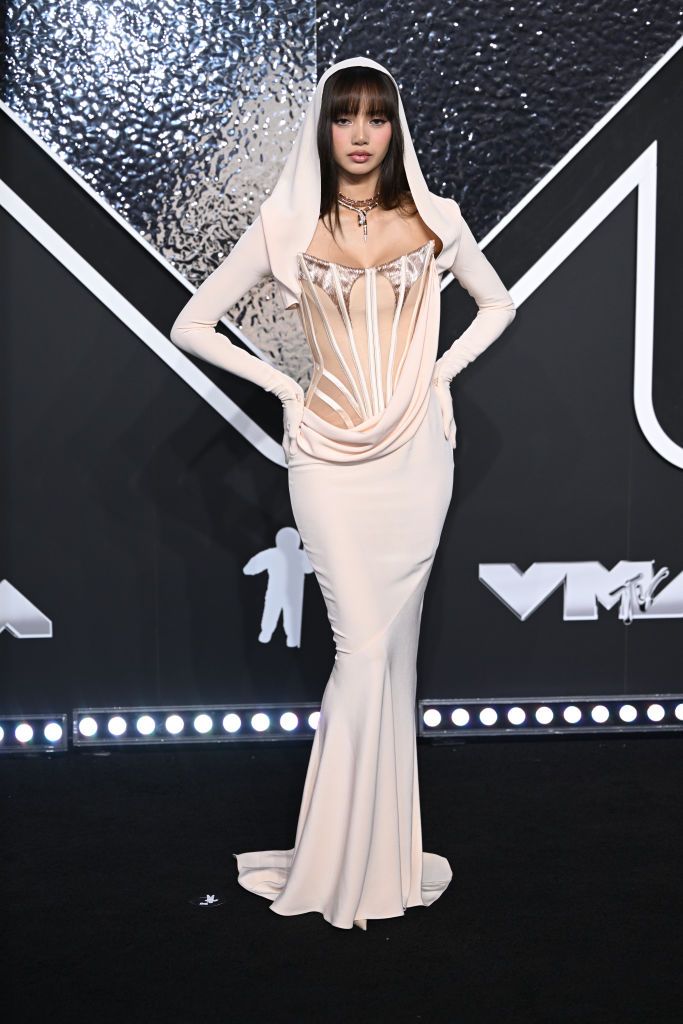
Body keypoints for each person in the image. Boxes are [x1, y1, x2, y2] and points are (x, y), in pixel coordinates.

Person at [170, 56, 516, 931]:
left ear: (395, 128)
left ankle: (383, 860)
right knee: (361, 651)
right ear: (322, 131)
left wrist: (438, 376)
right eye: (342, 118)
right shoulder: (284, 224)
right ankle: (335, 864)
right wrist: (285, 389)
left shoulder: (435, 218)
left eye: (375, 118)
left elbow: (496, 304)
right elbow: (192, 324)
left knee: (389, 660)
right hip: (326, 455)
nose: (360, 135)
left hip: (414, 462)